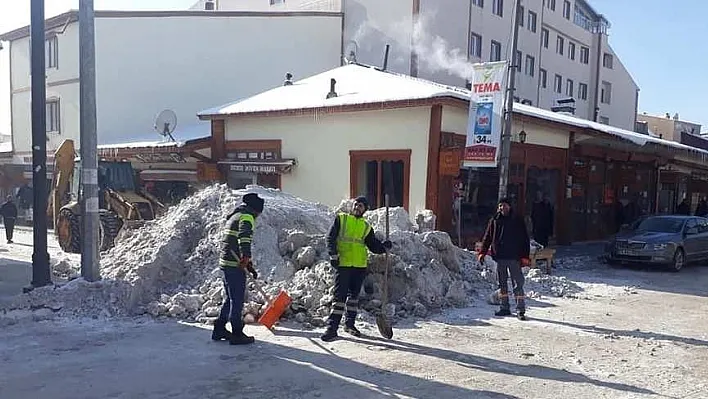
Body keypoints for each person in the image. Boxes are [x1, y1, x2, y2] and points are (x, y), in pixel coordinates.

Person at [321, 196, 392, 342]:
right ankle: (332, 328)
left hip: (359, 266)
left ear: (365, 210)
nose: (357, 207)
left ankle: (350, 325)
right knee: (339, 298)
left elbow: (373, 245)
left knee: (353, 298)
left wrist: (384, 247)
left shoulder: (366, 227)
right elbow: (330, 238)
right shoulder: (341, 219)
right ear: (352, 206)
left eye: (361, 206)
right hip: (344, 264)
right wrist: (333, 255)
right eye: (356, 204)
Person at [211, 192, 264, 345]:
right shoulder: (247, 217)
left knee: (230, 298)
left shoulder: (236, 215)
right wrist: (246, 257)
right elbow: (244, 237)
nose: (258, 216)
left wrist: (248, 264)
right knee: (237, 299)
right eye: (259, 213)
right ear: (256, 210)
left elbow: (234, 241)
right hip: (234, 265)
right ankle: (237, 333)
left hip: (227, 262)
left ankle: (219, 328)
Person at [478, 198, 531, 320]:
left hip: (514, 257)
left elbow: (525, 239)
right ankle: (504, 307)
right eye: (500, 205)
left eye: (505, 205)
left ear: (510, 206)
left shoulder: (517, 220)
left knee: (517, 284)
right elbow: (487, 237)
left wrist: (525, 257)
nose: (502, 208)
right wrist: (482, 252)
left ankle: (520, 310)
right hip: (500, 257)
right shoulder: (495, 220)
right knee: (502, 284)